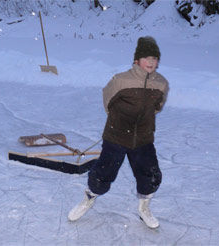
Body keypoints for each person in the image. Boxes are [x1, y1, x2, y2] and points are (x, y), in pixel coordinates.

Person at [68, 36, 169, 229]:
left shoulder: (162, 83)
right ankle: (88, 199)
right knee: (102, 174)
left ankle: (144, 208)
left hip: (143, 138)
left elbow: (157, 106)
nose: (150, 62)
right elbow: (108, 101)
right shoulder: (121, 80)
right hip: (116, 136)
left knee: (151, 175)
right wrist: (120, 122)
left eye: (154, 58)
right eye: (146, 57)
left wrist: (142, 123)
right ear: (137, 60)